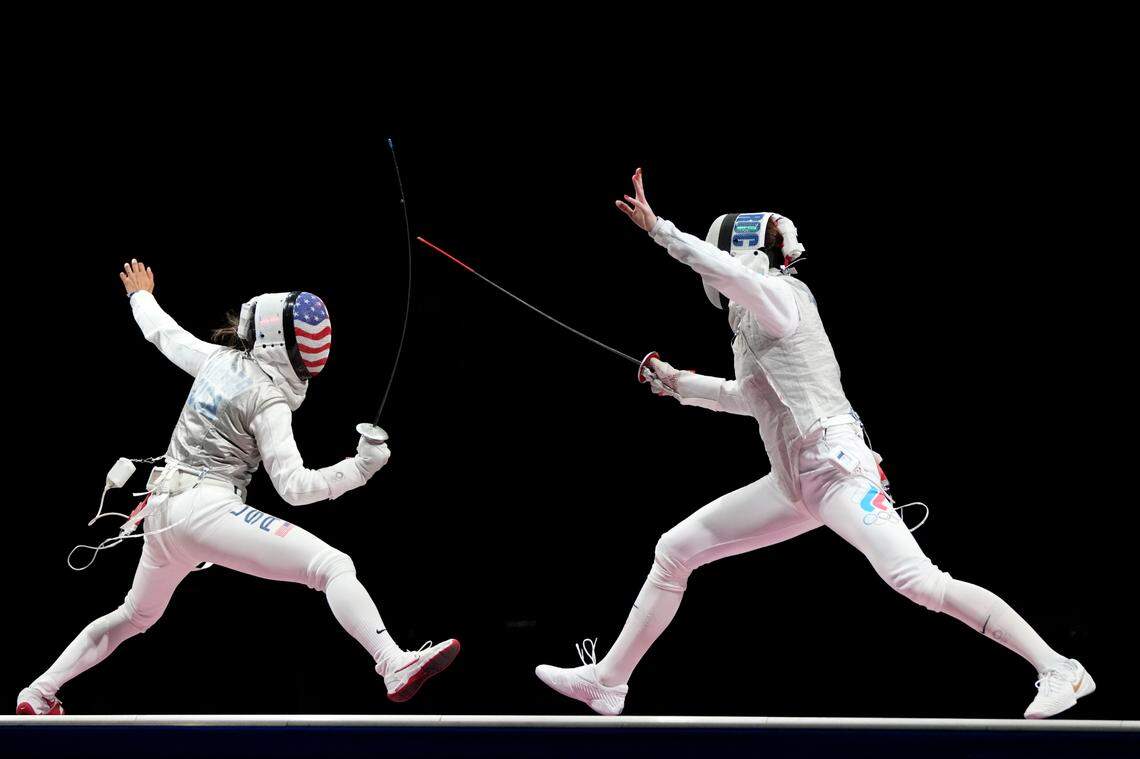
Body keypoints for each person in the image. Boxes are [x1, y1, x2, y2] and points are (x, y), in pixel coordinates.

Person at [535, 169, 1091, 720]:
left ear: (743, 253)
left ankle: (1058, 668)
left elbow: (729, 274)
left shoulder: (777, 297)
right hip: (791, 483)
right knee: (674, 550)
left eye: (720, 254)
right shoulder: (751, 325)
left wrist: (662, 232)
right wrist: (680, 384)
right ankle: (609, 682)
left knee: (919, 583)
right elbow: (748, 397)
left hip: (837, 470)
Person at [16, 260, 459, 715]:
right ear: (286, 345)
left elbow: (163, 333)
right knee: (331, 565)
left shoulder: (217, 359)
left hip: (161, 513)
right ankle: (392, 662)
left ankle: (37, 691)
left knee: (135, 616)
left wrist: (140, 295)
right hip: (206, 510)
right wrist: (361, 467)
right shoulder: (268, 399)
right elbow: (295, 487)